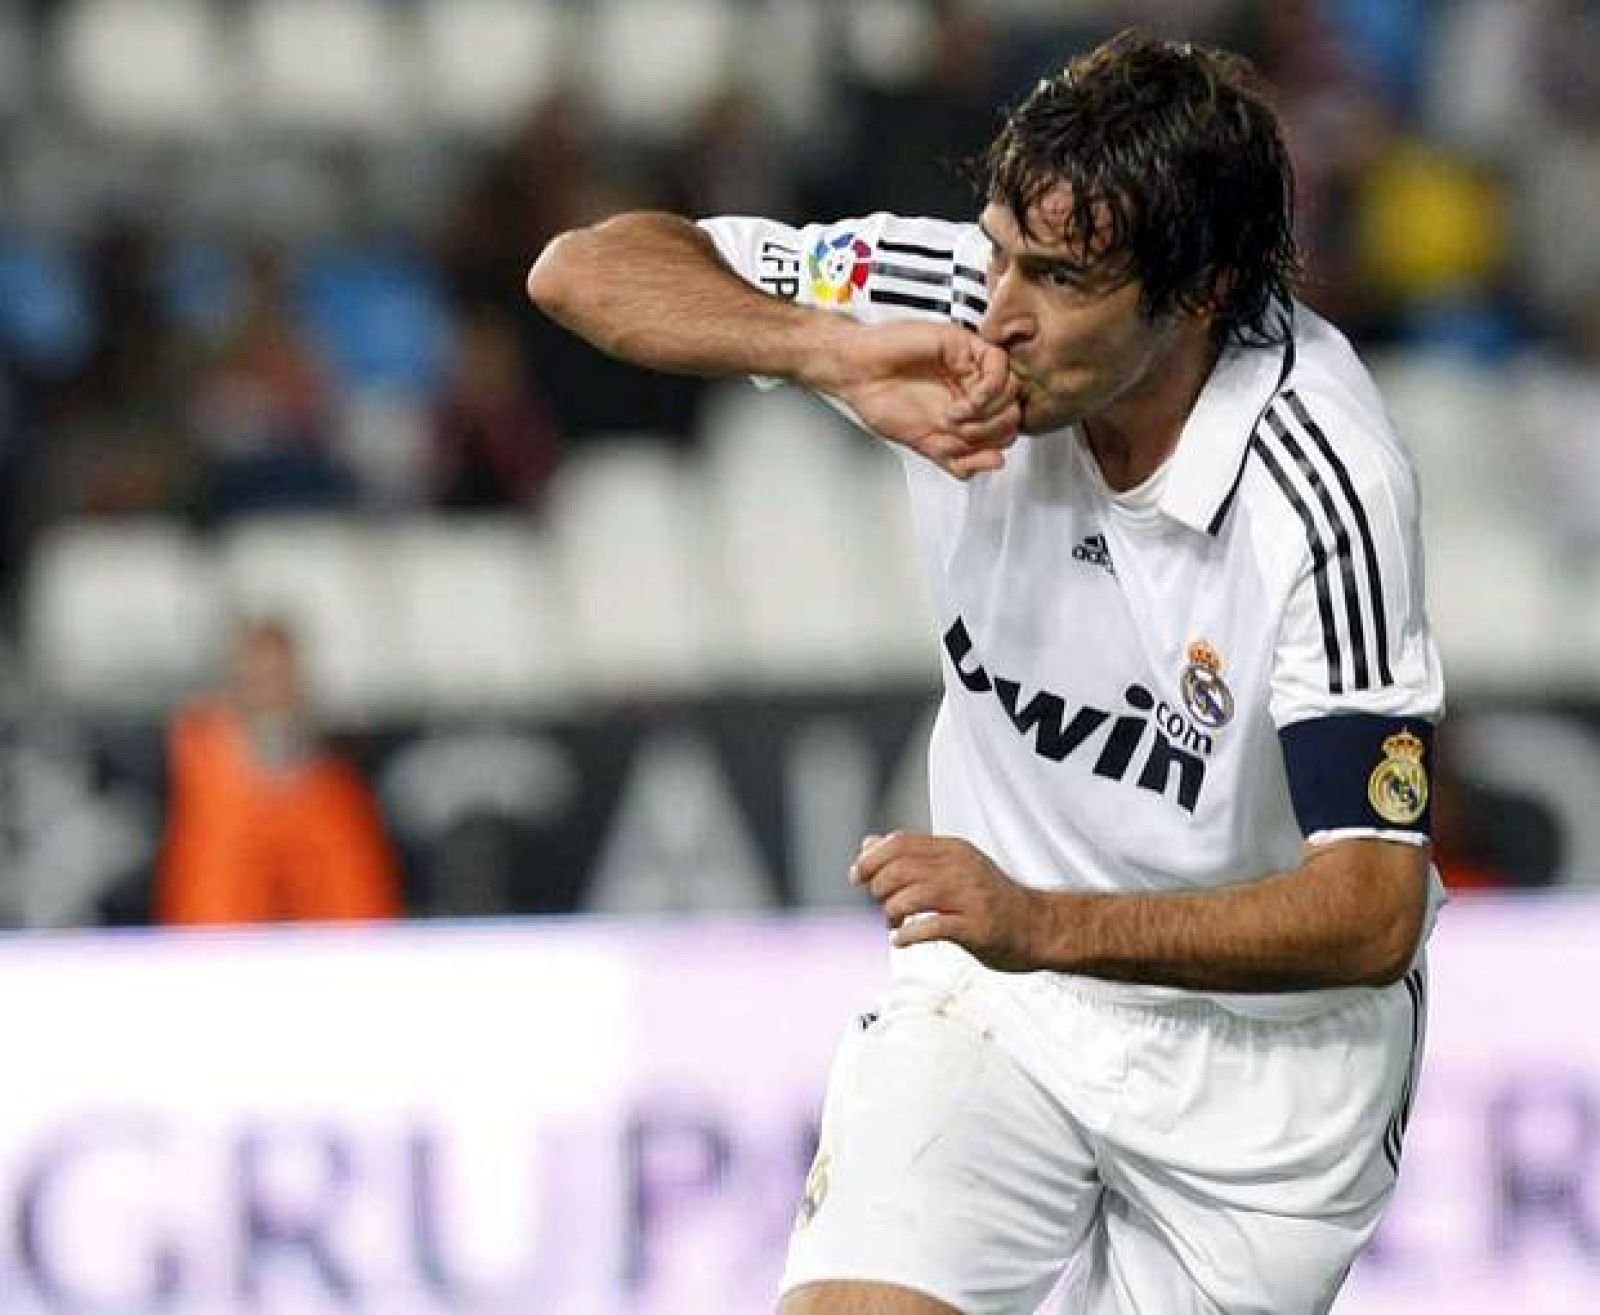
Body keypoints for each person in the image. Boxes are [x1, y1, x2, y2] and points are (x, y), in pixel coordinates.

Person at [528, 30, 1443, 1315]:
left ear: (1199, 290)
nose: (1000, 311)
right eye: (1000, 246)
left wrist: (1044, 919)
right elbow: (582, 267)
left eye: (1059, 279)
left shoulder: (1319, 485)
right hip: (1002, 1002)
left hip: (1263, 1085)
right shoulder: (955, 298)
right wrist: (822, 349)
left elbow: (1370, 908)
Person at [157, 617, 403, 926]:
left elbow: (360, 911)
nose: (269, 694)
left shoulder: (335, 796)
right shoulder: (204, 776)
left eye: (279, 678)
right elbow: (203, 912)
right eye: (257, 679)